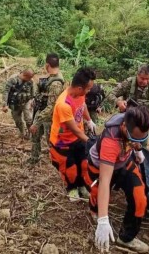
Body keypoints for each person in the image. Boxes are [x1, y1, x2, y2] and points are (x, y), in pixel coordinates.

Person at [84, 106, 149, 253]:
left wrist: (138, 149)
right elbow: (105, 180)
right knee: (98, 196)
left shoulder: (134, 121)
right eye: (134, 138)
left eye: (142, 138)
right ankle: (95, 211)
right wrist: (103, 220)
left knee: (140, 198)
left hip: (124, 162)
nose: (137, 140)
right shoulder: (111, 141)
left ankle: (126, 237)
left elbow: (136, 138)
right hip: (100, 168)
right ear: (123, 127)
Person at [49, 68, 96, 200]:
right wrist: (90, 141)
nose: (89, 91)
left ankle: (81, 186)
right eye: (88, 89)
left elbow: (83, 106)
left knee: (83, 164)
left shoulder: (80, 94)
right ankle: (72, 189)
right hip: (63, 141)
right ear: (80, 88)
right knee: (69, 168)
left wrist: (89, 120)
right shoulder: (63, 104)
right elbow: (74, 129)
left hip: (77, 137)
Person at [28, 53, 64, 165]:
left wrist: (37, 121)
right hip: (40, 111)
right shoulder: (49, 77)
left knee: (52, 141)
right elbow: (40, 91)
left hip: (49, 116)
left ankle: (58, 162)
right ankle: (34, 158)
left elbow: (51, 106)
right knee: (35, 137)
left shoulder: (56, 83)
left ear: (47, 65)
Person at [1, 69, 35, 138]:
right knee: (18, 120)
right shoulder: (12, 79)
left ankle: (30, 134)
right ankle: (22, 133)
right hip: (15, 103)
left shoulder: (30, 81)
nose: (30, 80)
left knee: (29, 119)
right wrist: (5, 105)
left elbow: (33, 93)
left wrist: (32, 100)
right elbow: (6, 92)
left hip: (26, 102)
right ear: (25, 75)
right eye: (29, 78)